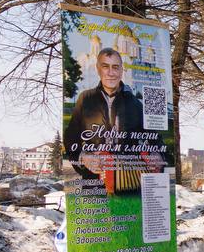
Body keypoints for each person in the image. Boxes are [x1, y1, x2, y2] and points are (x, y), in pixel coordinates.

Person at [63, 47, 163, 182]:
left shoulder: (136, 103)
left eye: (116, 67)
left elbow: (155, 138)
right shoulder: (85, 98)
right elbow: (70, 137)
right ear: (98, 69)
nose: (111, 73)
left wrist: (157, 154)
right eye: (105, 66)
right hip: (95, 179)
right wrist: (83, 156)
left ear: (122, 71)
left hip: (129, 180)